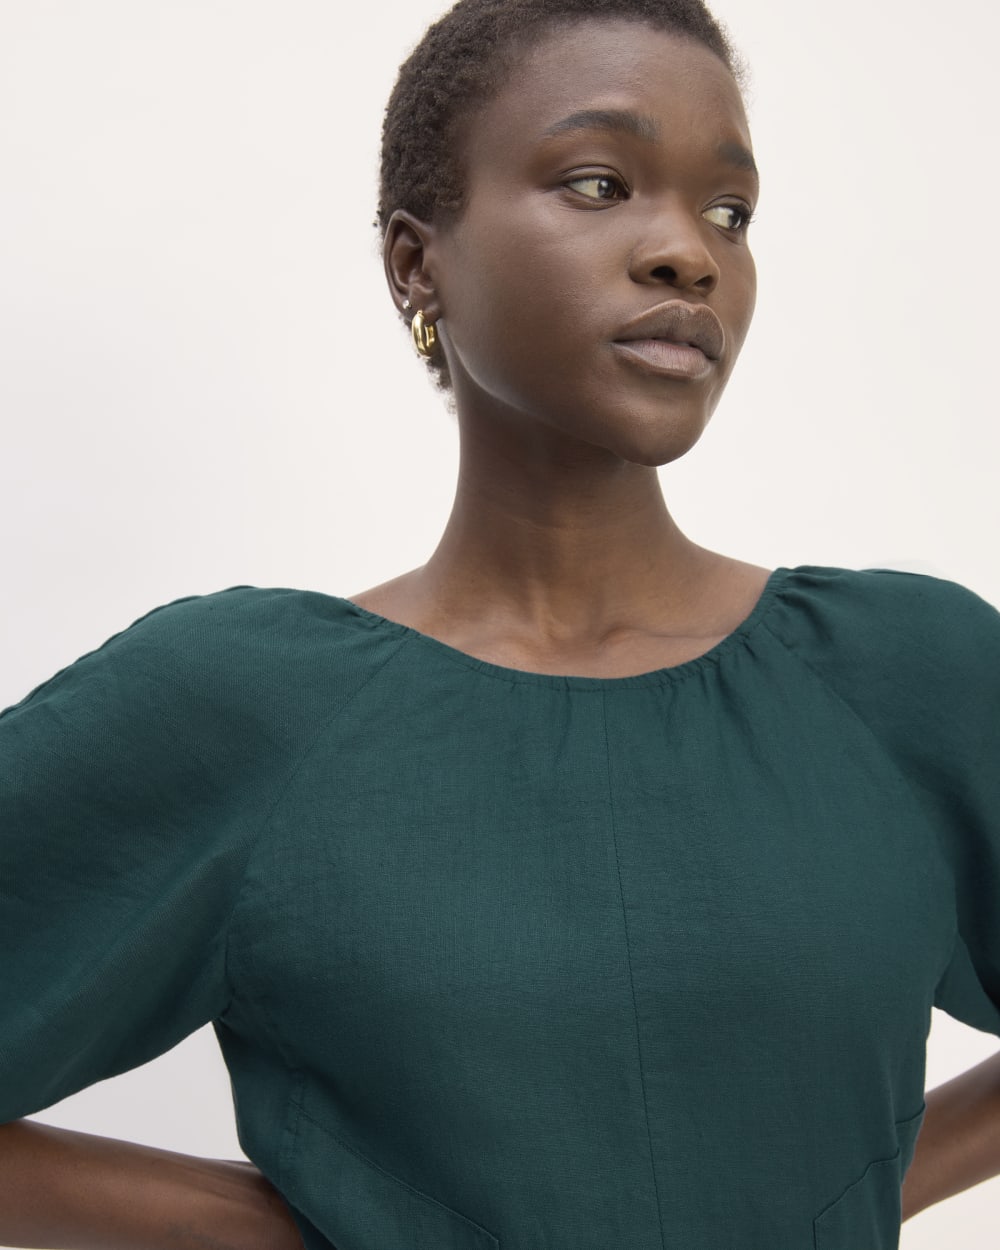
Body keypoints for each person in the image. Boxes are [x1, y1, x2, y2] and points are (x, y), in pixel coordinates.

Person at [1, 0, 998, 1247]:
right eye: (598, 183)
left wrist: (853, 1190)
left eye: (729, 211)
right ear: (416, 263)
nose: (687, 254)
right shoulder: (243, 711)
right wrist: (304, 1227)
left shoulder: (907, 675)